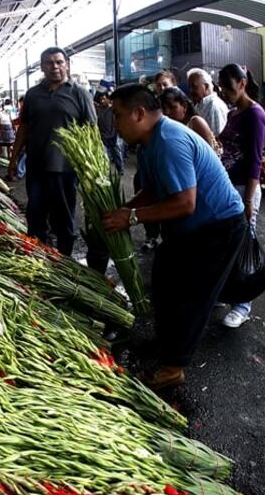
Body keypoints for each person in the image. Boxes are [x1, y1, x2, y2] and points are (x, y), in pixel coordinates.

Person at [100, 84, 246, 390]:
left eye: (118, 115)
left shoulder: (169, 140)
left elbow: (185, 202)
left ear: (139, 114)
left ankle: (173, 367)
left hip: (219, 225)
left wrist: (133, 218)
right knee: (165, 279)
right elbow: (153, 190)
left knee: (192, 296)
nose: (115, 122)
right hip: (191, 226)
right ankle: (167, 343)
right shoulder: (149, 143)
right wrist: (123, 209)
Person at [8, 47, 97, 255]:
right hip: (36, 167)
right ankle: (41, 258)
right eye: (49, 63)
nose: (54, 67)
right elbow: (24, 128)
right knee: (36, 216)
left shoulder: (80, 93)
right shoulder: (32, 95)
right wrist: (13, 160)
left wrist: (91, 169)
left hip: (66, 169)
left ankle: (64, 261)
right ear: (42, 67)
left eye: (59, 62)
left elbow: (92, 131)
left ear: (67, 65)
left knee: (64, 219)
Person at [216, 63, 265, 329]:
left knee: (243, 246)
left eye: (227, 87)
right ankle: (224, 292)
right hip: (227, 186)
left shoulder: (255, 115)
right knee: (226, 243)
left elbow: (255, 161)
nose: (224, 92)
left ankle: (243, 305)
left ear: (242, 83)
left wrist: (249, 200)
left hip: (243, 189)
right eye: (221, 87)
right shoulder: (234, 112)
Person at [158, 87, 220, 152]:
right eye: (164, 109)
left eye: (172, 107)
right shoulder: (170, 127)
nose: (167, 112)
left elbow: (210, 152)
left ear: (185, 106)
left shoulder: (196, 122)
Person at [187, 68, 229, 137]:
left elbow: (217, 139)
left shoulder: (214, 106)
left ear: (206, 86)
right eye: (190, 87)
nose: (191, 90)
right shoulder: (200, 104)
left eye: (194, 87)